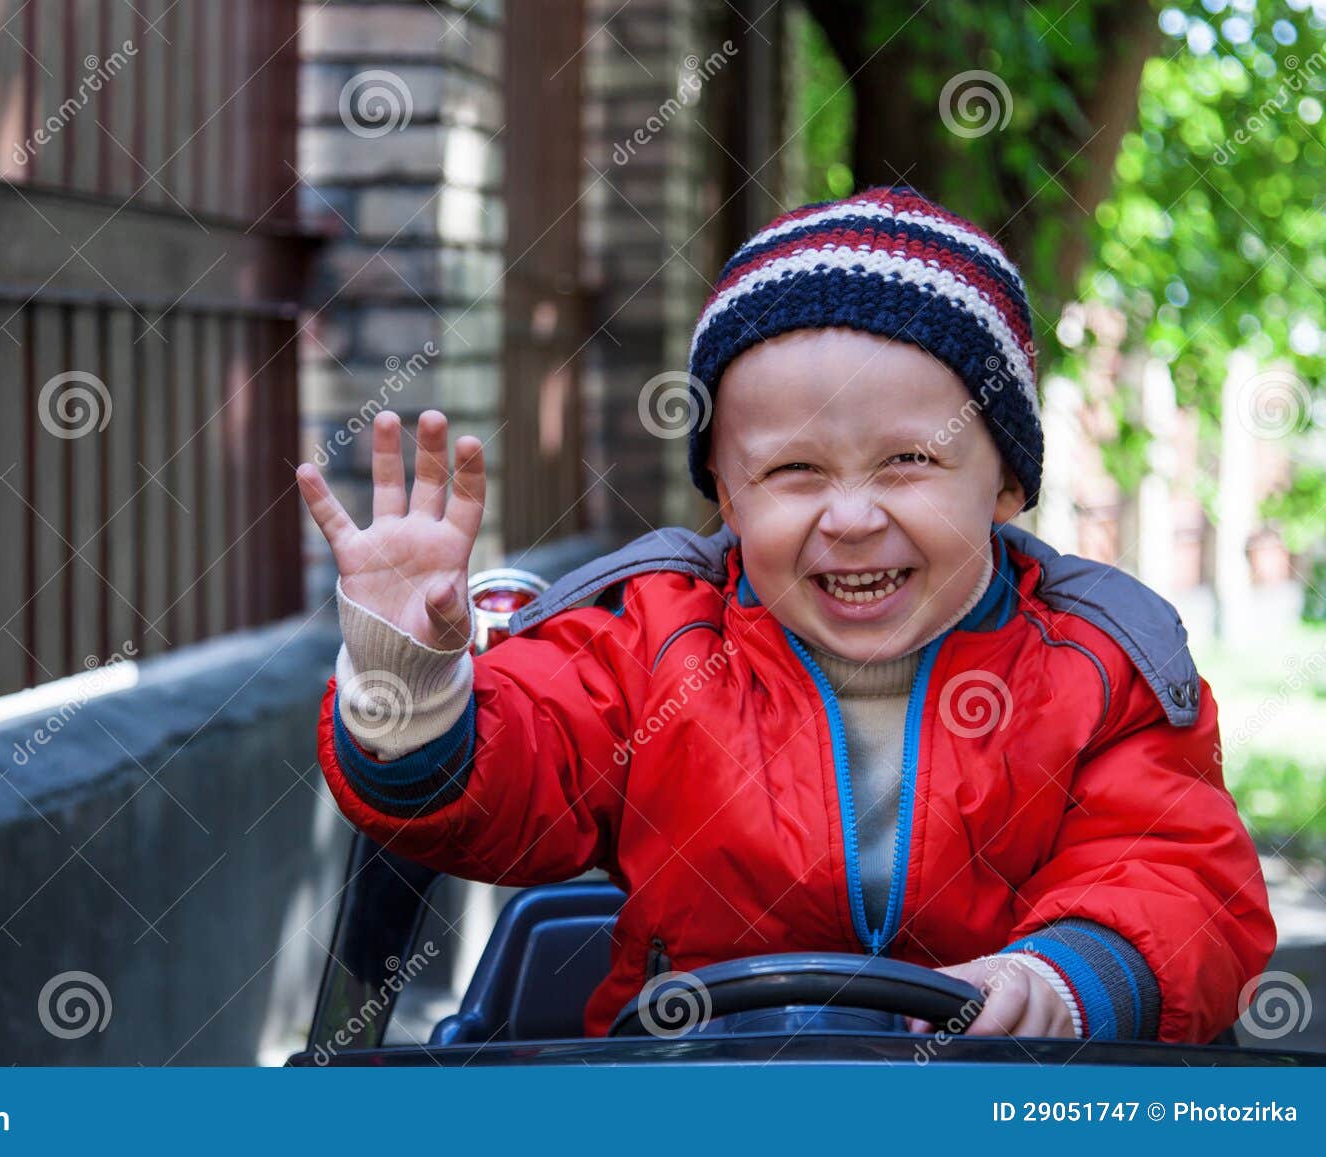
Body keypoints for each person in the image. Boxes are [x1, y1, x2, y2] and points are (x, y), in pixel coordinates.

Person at [295, 185, 1275, 1042]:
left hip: (990, 1097)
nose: (849, 516)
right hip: (689, 1084)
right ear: (723, 489)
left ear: (1008, 481)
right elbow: (517, 773)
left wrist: (1070, 977)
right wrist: (411, 680)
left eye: (908, 460)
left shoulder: (1101, 665)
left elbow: (1179, 878)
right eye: (792, 471)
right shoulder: (649, 637)